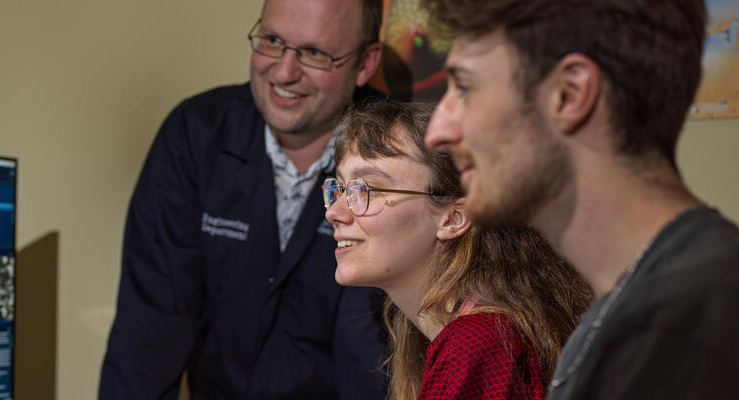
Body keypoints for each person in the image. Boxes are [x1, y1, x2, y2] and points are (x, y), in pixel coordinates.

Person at [422, 0, 739, 398]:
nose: (438, 131)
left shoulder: (692, 323)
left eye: (465, 88)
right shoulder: (626, 315)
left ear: (569, 95)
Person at [99, 0, 389, 398]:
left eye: (315, 53)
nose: (284, 72)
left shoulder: (399, 160)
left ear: (366, 63)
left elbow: (370, 355)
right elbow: (147, 336)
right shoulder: (196, 137)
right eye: (272, 41)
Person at [324, 101, 592, 400]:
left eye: (367, 190)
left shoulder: (479, 343)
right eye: (340, 189)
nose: (334, 212)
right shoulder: (453, 334)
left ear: (454, 218)